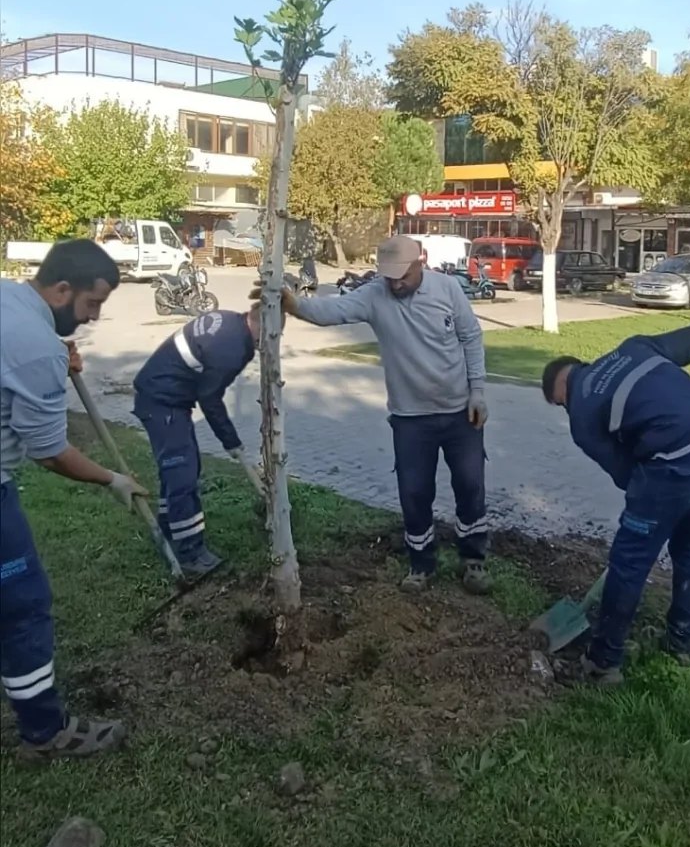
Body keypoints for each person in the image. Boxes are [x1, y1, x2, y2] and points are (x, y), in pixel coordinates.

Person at [542, 323, 690, 685]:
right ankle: (681, 641)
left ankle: (603, 662)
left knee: (629, 562)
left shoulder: (581, 416)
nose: (565, 408)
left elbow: (624, 473)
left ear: (559, 390)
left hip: (677, 463)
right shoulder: (635, 347)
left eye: (560, 403)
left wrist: (651, 514)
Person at [1, 240, 144, 760]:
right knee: (22, 608)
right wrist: (112, 479)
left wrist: (51, 355)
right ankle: (45, 732)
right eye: (91, 304)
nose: (93, 318)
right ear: (62, 289)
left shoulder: (8, 301)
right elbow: (50, 453)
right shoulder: (36, 345)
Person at [289, 234, 490, 593]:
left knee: (470, 486)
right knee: (414, 493)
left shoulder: (447, 289)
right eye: (389, 276)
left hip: (461, 413)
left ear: (420, 261)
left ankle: (473, 560)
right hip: (410, 419)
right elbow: (330, 312)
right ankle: (421, 564)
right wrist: (292, 304)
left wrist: (478, 392)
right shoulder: (374, 295)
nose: (396, 284)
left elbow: (471, 338)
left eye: (403, 276)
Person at [132, 287, 283, 577]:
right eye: (272, 337)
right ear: (263, 328)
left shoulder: (232, 321)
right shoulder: (234, 349)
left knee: (181, 470)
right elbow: (210, 398)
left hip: (167, 399)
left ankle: (169, 529)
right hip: (162, 402)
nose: (269, 346)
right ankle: (190, 553)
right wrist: (231, 441)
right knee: (182, 473)